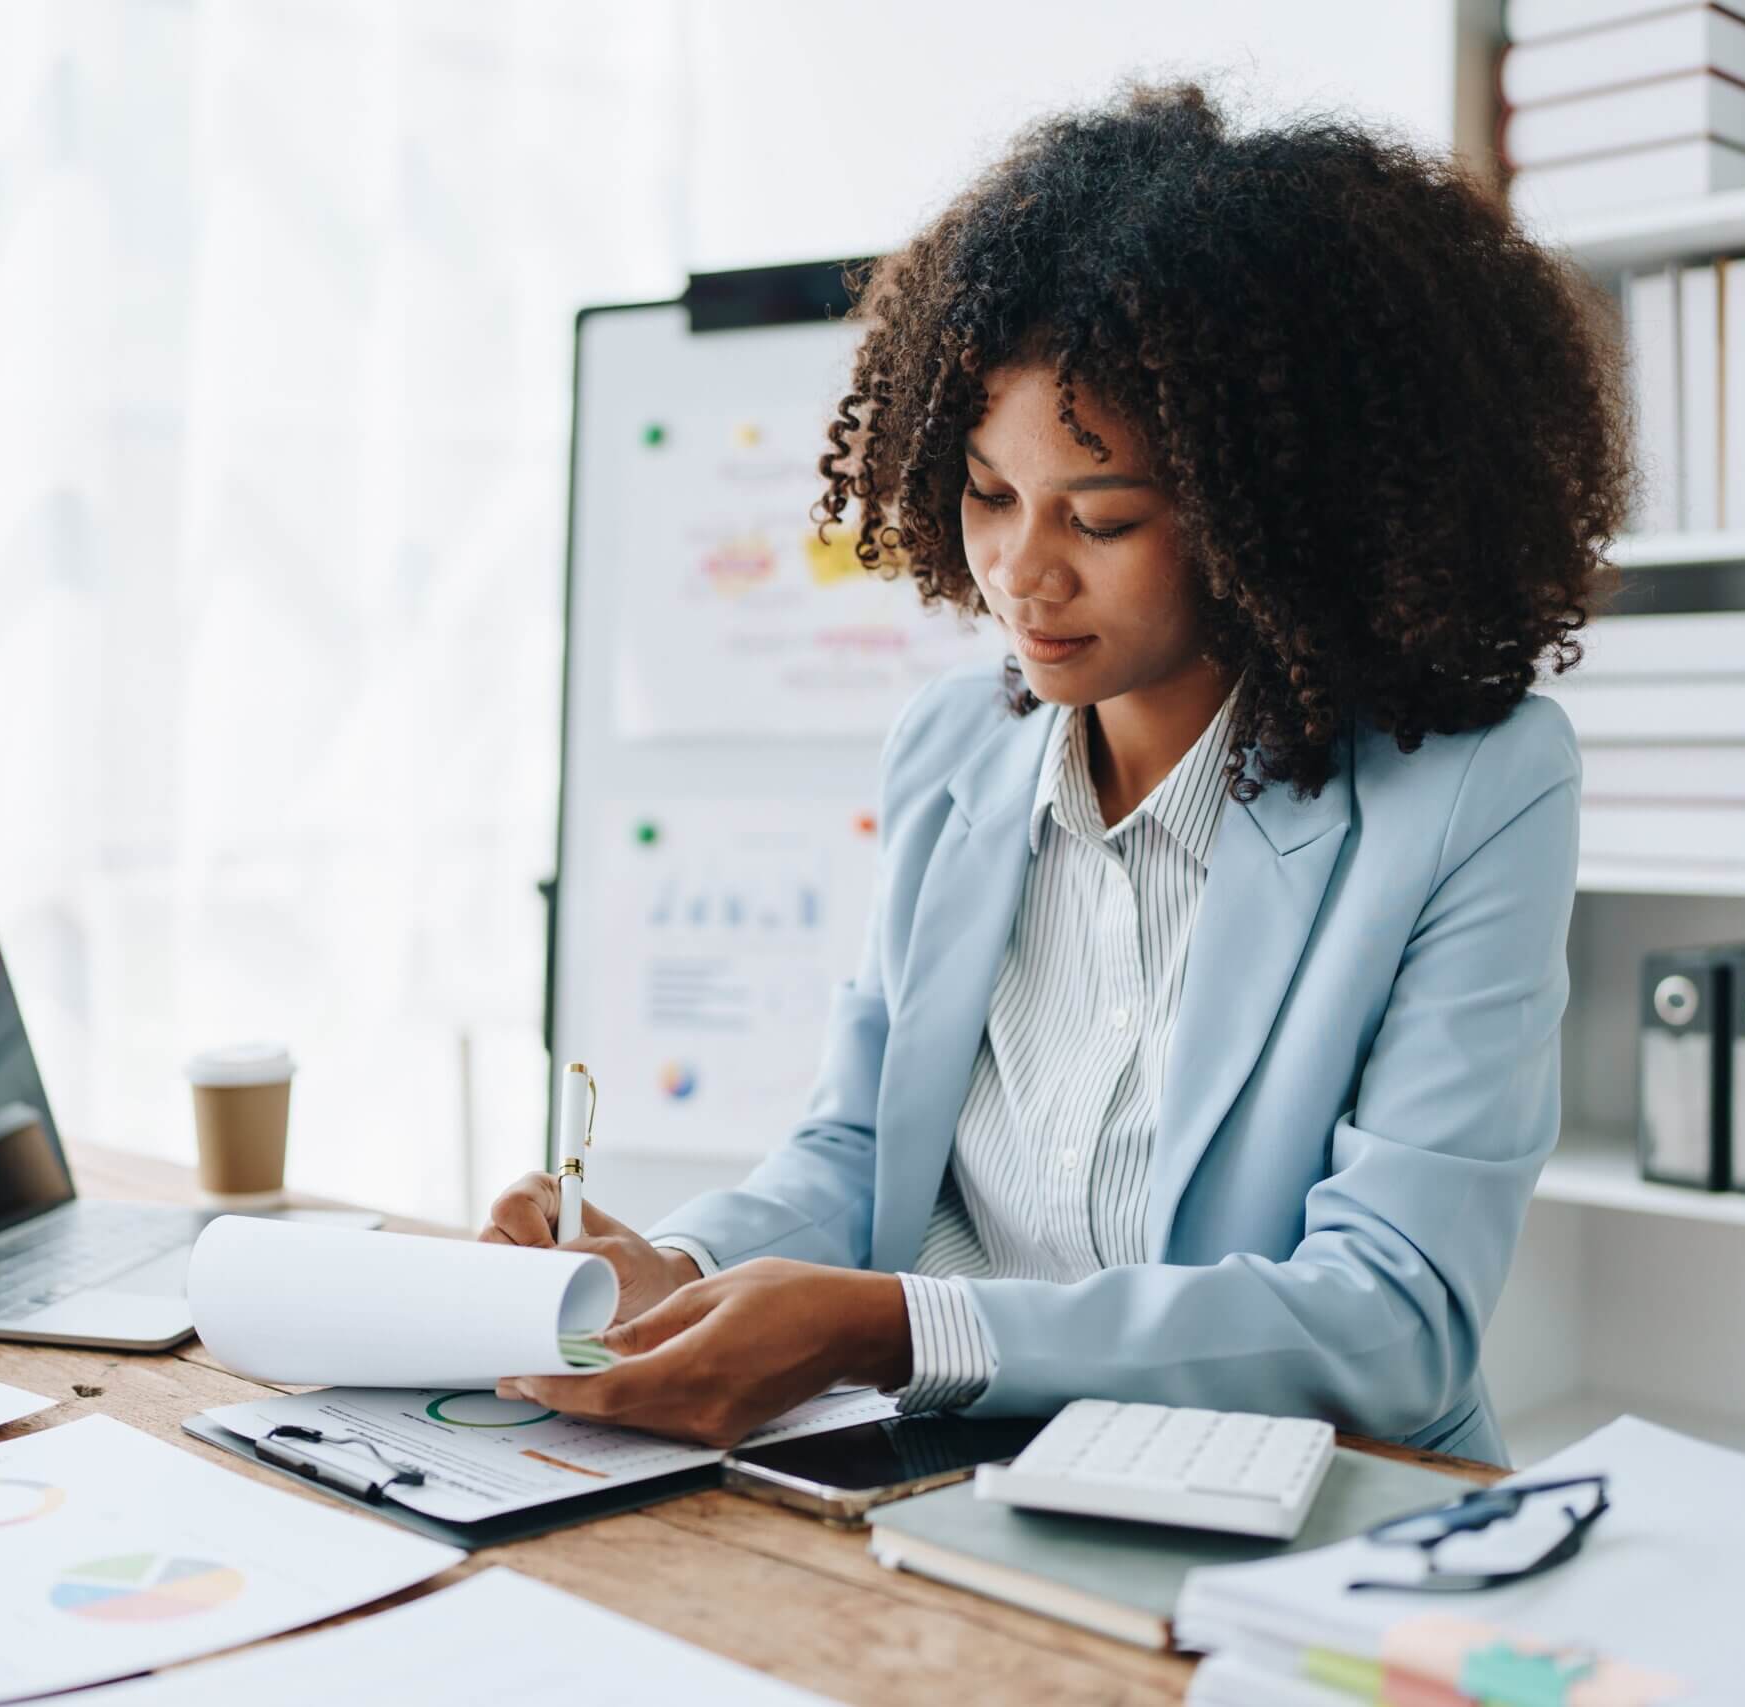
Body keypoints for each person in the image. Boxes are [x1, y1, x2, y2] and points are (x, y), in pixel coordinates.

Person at [480, 83, 1628, 1467]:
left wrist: (894, 1328)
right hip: (947, 1480)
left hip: (1302, 1507)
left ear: (1279, 514)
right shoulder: (953, 752)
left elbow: (1389, 1325)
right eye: (985, 493)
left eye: (1104, 516)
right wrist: (675, 1264)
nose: (1021, 572)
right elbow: (856, 1152)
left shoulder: (1471, 793)